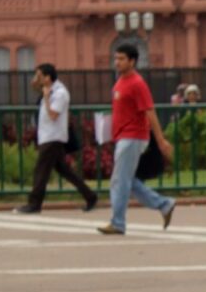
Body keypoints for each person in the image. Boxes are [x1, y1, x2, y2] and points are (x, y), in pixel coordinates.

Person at [97, 44, 176, 236]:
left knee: (119, 181)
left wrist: (160, 139)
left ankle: (117, 222)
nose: (117, 62)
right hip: (124, 136)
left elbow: (150, 111)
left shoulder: (137, 83)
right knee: (127, 181)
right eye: (116, 58)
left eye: (121, 59)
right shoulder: (120, 82)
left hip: (133, 136)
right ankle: (164, 204)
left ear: (132, 61)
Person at [13, 63, 98, 214]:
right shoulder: (49, 89)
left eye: (40, 76)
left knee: (41, 170)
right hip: (46, 136)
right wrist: (38, 85)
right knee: (65, 171)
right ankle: (90, 196)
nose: (37, 79)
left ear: (48, 77)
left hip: (53, 137)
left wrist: (46, 98)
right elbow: (35, 87)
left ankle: (34, 204)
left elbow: (53, 115)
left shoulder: (60, 93)